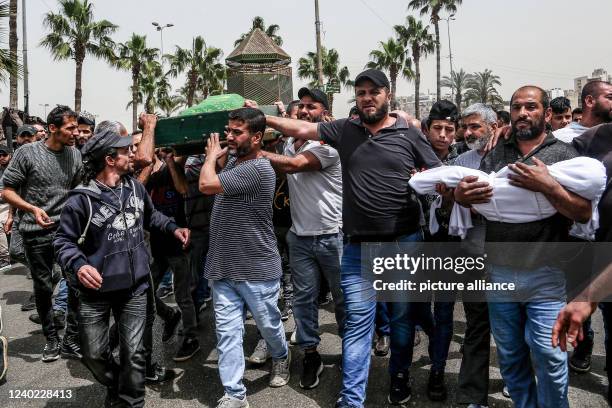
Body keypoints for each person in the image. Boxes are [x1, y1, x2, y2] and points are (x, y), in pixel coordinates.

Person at [261, 68, 441, 407]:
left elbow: (436, 173)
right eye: (361, 92)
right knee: (358, 324)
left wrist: (446, 186)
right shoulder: (345, 130)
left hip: (404, 243)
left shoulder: (409, 133)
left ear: (388, 94)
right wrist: (266, 120)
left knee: (402, 320)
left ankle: (399, 375)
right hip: (358, 247)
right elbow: (301, 127)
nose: (367, 97)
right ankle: (351, 399)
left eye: (374, 91)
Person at [454, 86, 592, 408]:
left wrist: (548, 186)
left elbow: (583, 212)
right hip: (500, 272)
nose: (522, 113)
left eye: (530, 106)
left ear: (546, 114)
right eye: (516, 107)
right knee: (511, 357)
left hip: (547, 274)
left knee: (550, 357)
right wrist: (461, 197)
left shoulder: (564, 154)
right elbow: (475, 201)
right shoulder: (497, 152)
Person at [53, 128, 189, 407]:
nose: (132, 155)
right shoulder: (82, 199)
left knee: (135, 353)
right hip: (95, 292)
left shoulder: (135, 188)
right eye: (126, 151)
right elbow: (62, 241)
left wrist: (174, 228)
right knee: (92, 353)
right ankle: (119, 384)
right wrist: (79, 265)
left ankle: (130, 401)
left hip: (136, 288)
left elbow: (152, 217)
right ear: (109, 159)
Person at [200, 108, 291, 408]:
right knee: (227, 334)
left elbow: (205, 185)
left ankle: (280, 355)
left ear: (256, 137)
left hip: (256, 268)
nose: (228, 136)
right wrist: (220, 159)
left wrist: (212, 156)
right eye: (228, 130)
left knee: (269, 326)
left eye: (236, 132)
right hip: (224, 266)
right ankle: (235, 394)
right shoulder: (235, 164)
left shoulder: (258, 169)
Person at [259, 87, 345, 390]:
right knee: (303, 302)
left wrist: (253, 149)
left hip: (333, 236)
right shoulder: (289, 145)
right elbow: (284, 166)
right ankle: (311, 354)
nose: (305, 111)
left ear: (324, 112)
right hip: (300, 238)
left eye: (313, 107)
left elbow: (294, 167)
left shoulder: (328, 144)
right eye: (302, 106)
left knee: (343, 301)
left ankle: (352, 352)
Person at [1, 105, 82, 362]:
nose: (76, 133)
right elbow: (7, 191)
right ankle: (52, 339)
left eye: (77, 128)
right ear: (52, 128)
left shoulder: (76, 155)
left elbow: (78, 191)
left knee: (77, 284)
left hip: (68, 232)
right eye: (70, 128)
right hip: (36, 233)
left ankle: (71, 339)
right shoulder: (27, 153)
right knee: (44, 286)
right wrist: (30, 209)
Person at [453, 103, 499, 408]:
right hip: (473, 254)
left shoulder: (509, 153)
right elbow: (448, 207)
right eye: (465, 127)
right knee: (477, 326)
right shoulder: (459, 161)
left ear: (493, 127)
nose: (468, 133)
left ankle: (516, 379)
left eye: (476, 127)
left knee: (514, 327)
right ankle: (472, 395)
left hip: (511, 254)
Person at [145, 147, 200, 362]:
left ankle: (190, 337)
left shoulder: (173, 168)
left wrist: (169, 161)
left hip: (178, 244)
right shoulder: (145, 174)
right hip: (157, 246)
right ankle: (169, 315)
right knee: (146, 291)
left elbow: (183, 189)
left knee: (183, 296)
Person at [0, 145, 12, 270]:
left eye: (4, 155)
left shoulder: (13, 168)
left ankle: (4, 258)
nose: (2, 158)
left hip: (10, 203)